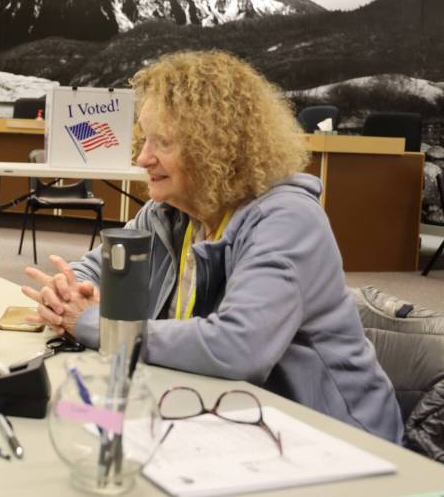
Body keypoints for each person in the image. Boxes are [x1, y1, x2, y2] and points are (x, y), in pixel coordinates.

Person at [22, 50, 403, 443]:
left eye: (162, 142)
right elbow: (96, 268)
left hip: (337, 440)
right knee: (66, 423)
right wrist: (66, 289)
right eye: (144, 138)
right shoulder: (167, 213)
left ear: (216, 148)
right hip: (231, 415)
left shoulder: (288, 220)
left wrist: (92, 324)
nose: (142, 158)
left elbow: (240, 347)